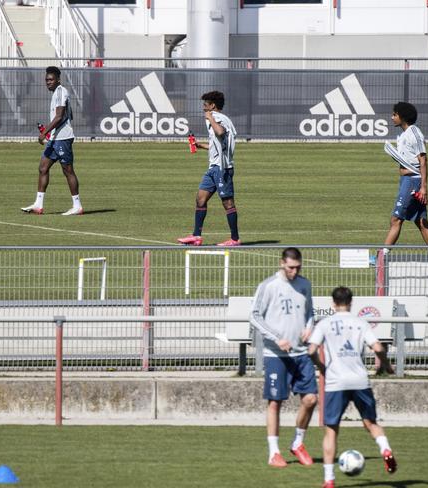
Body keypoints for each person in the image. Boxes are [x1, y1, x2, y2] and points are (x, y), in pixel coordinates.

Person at [308, 286, 397, 488]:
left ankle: (329, 480)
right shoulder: (360, 323)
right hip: (359, 381)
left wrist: (321, 366)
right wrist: (386, 365)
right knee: (371, 423)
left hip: (335, 382)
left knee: (331, 430)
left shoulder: (325, 323)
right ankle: (385, 449)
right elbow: (378, 347)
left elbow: (311, 349)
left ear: (333, 303)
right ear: (351, 302)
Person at [249, 247, 317, 468]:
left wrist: (309, 327)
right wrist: (277, 338)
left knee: (310, 400)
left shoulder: (304, 284)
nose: (294, 272)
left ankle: (298, 443)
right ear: (281, 263)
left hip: (301, 353)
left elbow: (310, 313)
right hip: (276, 354)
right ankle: (274, 453)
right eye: (290, 268)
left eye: (298, 267)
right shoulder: (269, 286)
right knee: (275, 402)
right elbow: (254, 316)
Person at [177, 91, 240, 247]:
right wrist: (201, 145)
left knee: (228, 203)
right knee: (200, 199)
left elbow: (220, 132)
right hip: (213, 167)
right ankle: (196, 236)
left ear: (212, 106)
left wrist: (211, 118)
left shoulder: (217, 118)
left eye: (205, 105)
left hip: (222, 168)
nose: (203, 108)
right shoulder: (220, 119)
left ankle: (235, 239)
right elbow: (219, 143)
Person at [21, 66, 82, 216]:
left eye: (51, 79)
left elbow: (60, 116)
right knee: (43, 168)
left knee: (68, 171)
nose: (48, 82)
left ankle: (77, 206)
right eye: (46, 80)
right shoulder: (56, 93)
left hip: (63, 138)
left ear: (58, 79)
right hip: (55, 139)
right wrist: (50, 133)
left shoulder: (61, 91)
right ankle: (38, 204)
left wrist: (45, 132)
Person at [382, 101, 428, 253]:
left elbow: (423, 160)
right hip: (408, 180)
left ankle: (382, 257)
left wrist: (424, 187)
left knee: (396, 219)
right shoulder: (403, 134)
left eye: (395, 114)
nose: (392, 117)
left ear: (403, 117)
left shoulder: (414, 134)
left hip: (413, 181)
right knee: (421, 221)